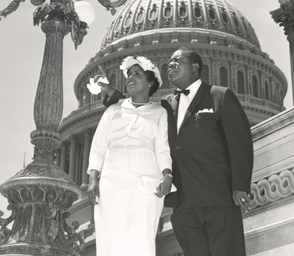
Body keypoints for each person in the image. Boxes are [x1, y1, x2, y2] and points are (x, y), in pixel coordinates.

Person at [100, 48, 254, 256]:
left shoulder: (219, 95)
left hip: (218, 197)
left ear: (194, 67)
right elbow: (138, 106)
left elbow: (240, 142)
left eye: (177, 61)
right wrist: (110, 91)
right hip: (184, 203)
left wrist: (240, 186)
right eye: (169, 61)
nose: (170, 65)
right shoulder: (167, 105)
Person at [87, 55, 173, 256]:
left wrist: (167, 174)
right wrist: (93, 178)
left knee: (140, 239)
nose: (130, 78)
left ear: (150, 82)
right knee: (110, 238)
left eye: (137, 74)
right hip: (111, 182)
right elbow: (98, 147)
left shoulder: (160, 112)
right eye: (129, 75)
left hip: (145, 182)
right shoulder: (113, 111)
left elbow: (162, 148)